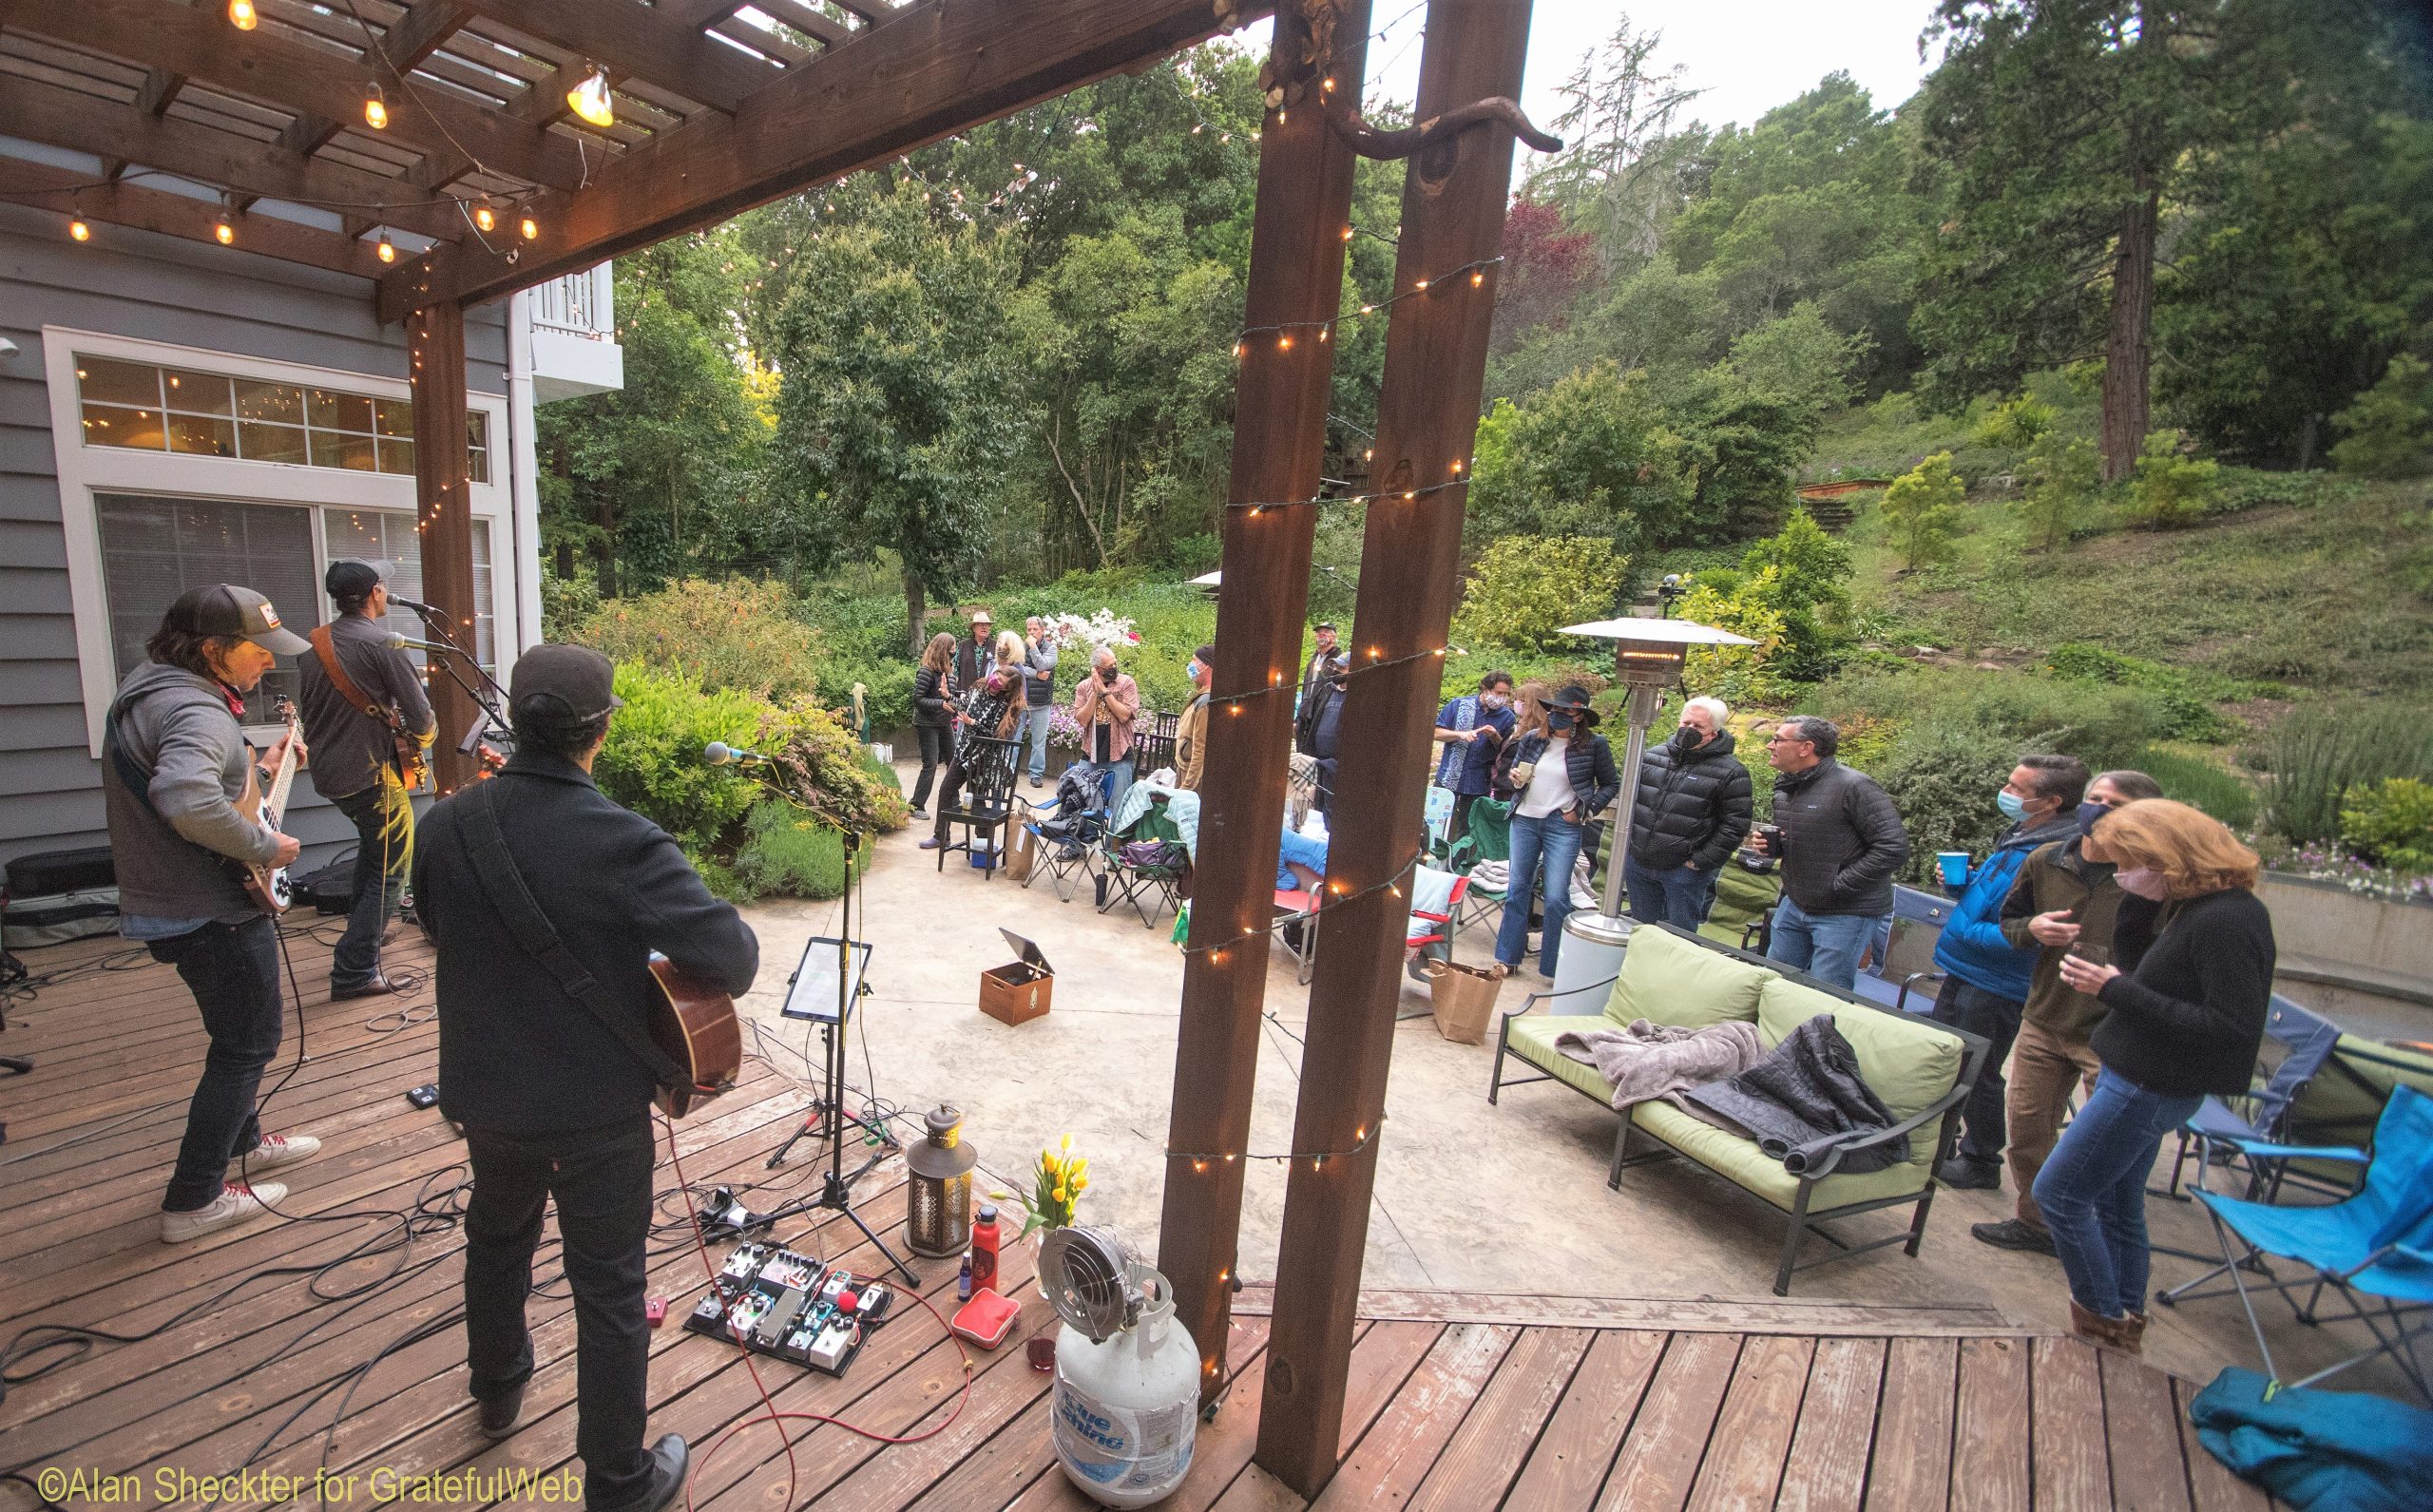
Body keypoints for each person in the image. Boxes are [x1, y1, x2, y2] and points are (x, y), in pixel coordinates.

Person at [414, 644, 757, 1510]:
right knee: (608, 1286)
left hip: (484, 1097)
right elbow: (732, 957)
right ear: (599, 732)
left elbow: (432, 921)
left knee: (496, 1240)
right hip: (594, 1112)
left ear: (516, 726)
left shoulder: (447, 823)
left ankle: (497, 1392)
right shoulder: (622, 839)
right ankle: (616, 1481)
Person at [102, 585, 317, 1243]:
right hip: (209, 911)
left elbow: (202, 778)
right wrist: (265, 844)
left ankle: (242, 1140)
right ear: (213, 650)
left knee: (235, 1036)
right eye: (256, 652)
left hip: (179, 903)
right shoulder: (196, 711)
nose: (266, 665)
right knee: (246, 1044)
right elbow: (185, 798)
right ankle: (193, 1198)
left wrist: (262, 764)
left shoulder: (151, 688)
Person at [2033, 799, 2273, 1354]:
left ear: (2168, 857)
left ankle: (2099, 1317)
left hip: (2149, 1085)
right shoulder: (2194, 905)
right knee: (2118, 1202)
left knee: (2060, 1195)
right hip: (2139, 1075)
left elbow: (2229, 1029)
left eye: (2131, 863)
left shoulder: (2228, 920)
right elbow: (2150, 972)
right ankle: (2124, 1317)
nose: (2121, 874)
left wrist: (2110, 989)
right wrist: (2135, 908)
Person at [1973, 769, 2166, 1255]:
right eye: (2093, 798)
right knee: (2027, 1131)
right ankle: (2037, 1225)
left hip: (2113, 1032)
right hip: (2045, 1017)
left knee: (2107, 1150)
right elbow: (2010, 921)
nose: (2097, 808)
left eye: (2112, 802)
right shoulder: (2046, 859)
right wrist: (2032, 928)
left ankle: (2100, 1236)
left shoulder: (2154, 879)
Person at [1926, 754, 2092, 1192]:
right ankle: (1940, 1140)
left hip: (1999, 980)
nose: (2007, 793)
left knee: (1978, 1070)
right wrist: (1961, 885)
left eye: (2018, 789)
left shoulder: (2058, 855)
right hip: (1966, 965)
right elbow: (2001, 898)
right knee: (1947, 1058)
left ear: (2051, 801)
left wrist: (1969, 931)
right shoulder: (2022, 833)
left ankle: (1981, 1160)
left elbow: (2036, 931)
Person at [297, 559, 435, 1001]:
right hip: (372, 774)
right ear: (376, 593)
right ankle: (355, 970)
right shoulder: (385, 644)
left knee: (374, 855)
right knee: (393, 866)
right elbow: (422, 719)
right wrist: (424, 735)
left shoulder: (313, 645)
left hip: (331, 773)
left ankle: (365, 939)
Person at [1753, 716, 1908, 990]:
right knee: (1774, 983)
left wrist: (1837, 885)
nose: (1770, 745)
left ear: (1806, 748)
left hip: (1845, 911)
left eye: (1778, 739)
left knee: (1824, 994)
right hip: (1796, 903)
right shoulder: (1786, 788)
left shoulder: (1855, 787)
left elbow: (1893, 847)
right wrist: (1773, 847)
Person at [1490, 685, 1619, 983]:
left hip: (1563, 823)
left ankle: (1553, 967)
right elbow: (1516, 778)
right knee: (1517, 890)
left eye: (1567, 711)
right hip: (1525, 819)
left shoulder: (1594, 745)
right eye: (1555, 709)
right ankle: (1507, 959)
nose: (1559, 715)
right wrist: (1515, 780)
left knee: (1557, 896)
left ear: (1580, 716)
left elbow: (1611, 784)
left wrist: (1584, 810)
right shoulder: (1533, 739)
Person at [1621, 695, 1753, 930]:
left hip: (1684, 872)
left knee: (1680, 937)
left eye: (1698, 726)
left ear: (1713, 733)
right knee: (1641, 932)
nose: (1689, 729)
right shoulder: (1652, 756)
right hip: (1640, 864)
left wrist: (1698, 862)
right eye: (1686, 723)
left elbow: (1735, 825)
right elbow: (1630, 802)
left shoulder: (1732, 772)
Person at [921, 630, 1028, 850]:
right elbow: (964, 706)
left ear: (1008, 688)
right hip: (964, 753)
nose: (995, 680)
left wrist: (973, 724)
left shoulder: (1006, 708)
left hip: (984, 760)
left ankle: (984, 843)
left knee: (978, 803)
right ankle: (941, 835)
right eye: (996, 675)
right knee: (946, 790)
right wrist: (948, 696)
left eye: (1001, 680)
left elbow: (997, 738)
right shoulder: (979, 688)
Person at [1432, 670, 1516, 842]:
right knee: (1435, 824)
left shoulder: (1507, 716)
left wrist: (1495, 737)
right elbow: (1436, 733)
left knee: (1468, 830)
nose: (1502, 697)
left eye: (1506, 694)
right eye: (1498, 693)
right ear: (1485, 689)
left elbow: (1507, 752)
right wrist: (1460, 735)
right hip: (1449, 776)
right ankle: (1430, 859)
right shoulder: (1458, 705)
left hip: (1479, 781)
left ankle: (1457, 865)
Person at [1070, 644, 1141, 813]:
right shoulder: (1084, 687)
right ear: (1097, 669)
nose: (1114, 668)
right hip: (1091, 753)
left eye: (1114, 664)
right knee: (1074, 796)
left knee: (1119, 806)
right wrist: (1095, 693)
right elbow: (1082, 720)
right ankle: (1077, 834)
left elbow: (1124, 715)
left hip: (1120, 755)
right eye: (1109, 667)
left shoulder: (1126, 684)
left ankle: (1113, 840)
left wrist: (1105, 692)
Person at [907, 632, 956, 818]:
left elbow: (952, 695)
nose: (954, 652)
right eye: (952, 649)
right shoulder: (926, 672)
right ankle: (916, 805)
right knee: (931, 764)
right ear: (943, 650)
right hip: (926, 723)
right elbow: (918, 700)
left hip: (944, 722)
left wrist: (954, 700)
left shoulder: (950, 673)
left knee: (954, 762)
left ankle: (954, 800)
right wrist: (940, 704)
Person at [1020, 616, 1060, 789]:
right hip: (1021, 700)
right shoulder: (1020, 648)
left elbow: (1043, 665)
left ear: (1042, 631)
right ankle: (1008, 770)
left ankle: (1035, 774)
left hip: (1041, 702)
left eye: (1035, 629)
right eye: (1029, 630)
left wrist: (1033, 647)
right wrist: (1035, 674)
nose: (1031, 632)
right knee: (1014, 738)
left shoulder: (1051, 649)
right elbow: (1016, 667)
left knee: (1038, 742)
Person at [1307, 654, 1351, 813]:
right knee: (1316, 804)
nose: (1337, 670)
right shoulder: (1326, 690)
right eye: (1336, 667)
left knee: (1332, 806)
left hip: (1337, 762)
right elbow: (1312, 719)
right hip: (1318, 757)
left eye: (1342, 668)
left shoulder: (1356, 694)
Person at [1175, 642, 1215, 793]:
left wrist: (1187, 787)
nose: (1191, 665)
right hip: (1184, 768)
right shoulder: (1202, 697)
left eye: (1194, 660)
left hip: (1193, 778)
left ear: (1206, 665)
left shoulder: (1206, 702)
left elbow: (1200, 748)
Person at [1298, 622, 1340, 707]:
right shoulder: (1313, 661)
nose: (1322, 634)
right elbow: (1306, 687)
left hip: (1324, 708)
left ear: (1334, 637)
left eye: (1326, 631)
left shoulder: (1338, 659)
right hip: (1307, 708)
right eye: (1319, 632)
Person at [953, 608, 996, 689]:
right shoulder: (962, 645)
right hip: (965, 692)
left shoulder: (996, 646)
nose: (984, 627)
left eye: (987, 624)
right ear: (973, 628)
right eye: (980, 624)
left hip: (989, 693)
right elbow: (956, 672)